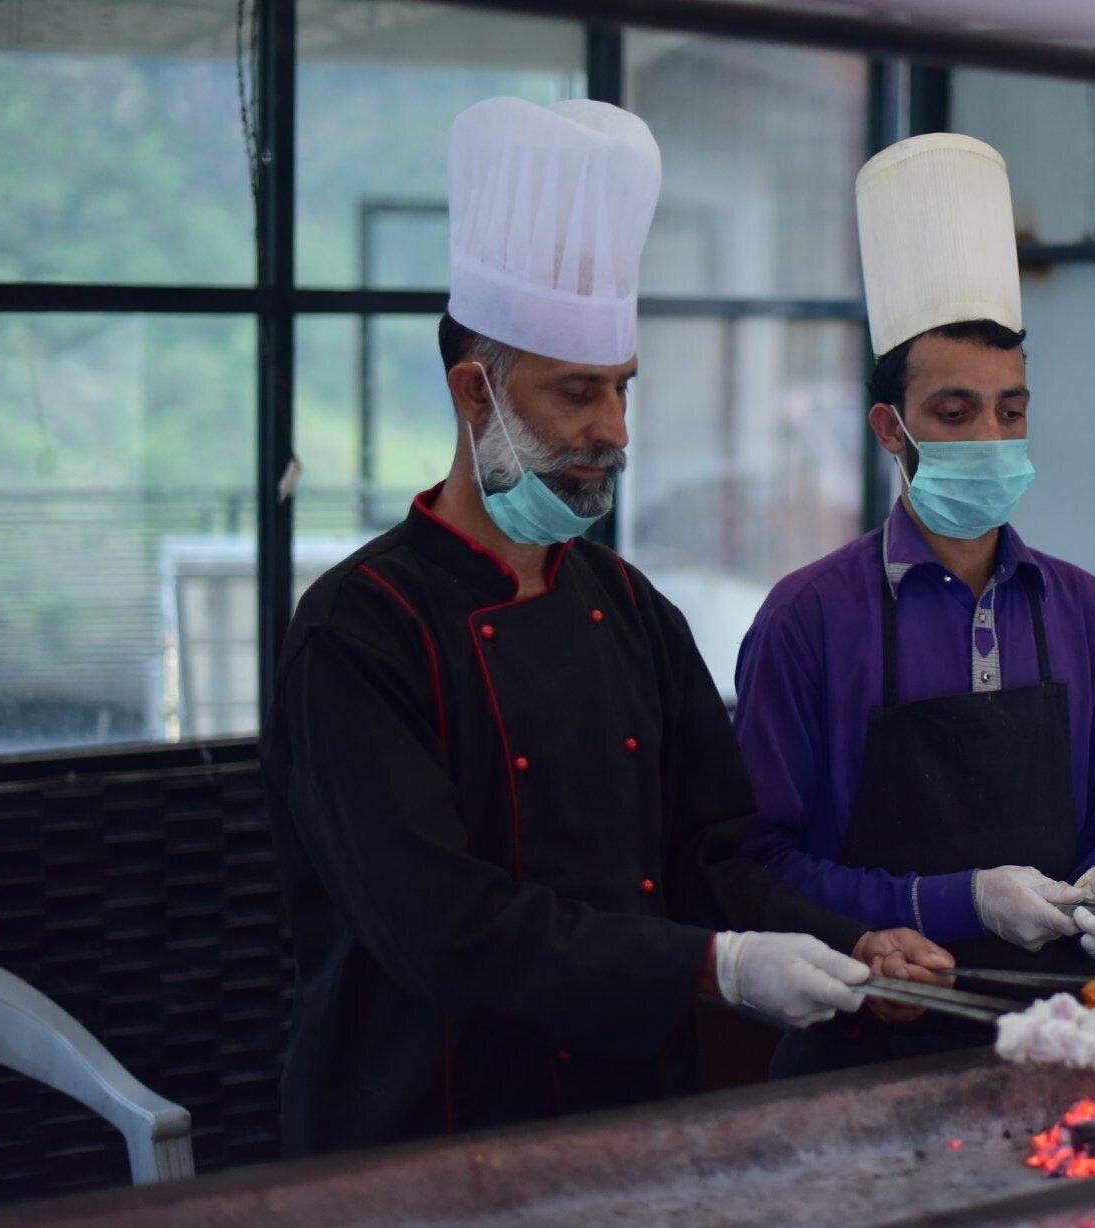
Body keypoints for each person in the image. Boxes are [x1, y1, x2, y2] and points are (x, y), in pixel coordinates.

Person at [263, 98, 941, 1157]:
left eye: (623, 391)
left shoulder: (628, 607)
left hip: (628, 1117)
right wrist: (712, 966)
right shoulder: (358, 631)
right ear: (473, 392)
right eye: (576, 394)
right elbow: (442, 927)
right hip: (419, 1135)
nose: (614, 432)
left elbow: (711, 855)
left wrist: (849, 941)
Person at [733, 133, 1095, 1077]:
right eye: (956, 413)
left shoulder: (1085, 612)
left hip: (1051, 1052)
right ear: (891, 429)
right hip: (856, 1054)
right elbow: (759, 866)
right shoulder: (809, 619)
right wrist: (958, 901)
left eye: (1012, 410)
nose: (993, 439)